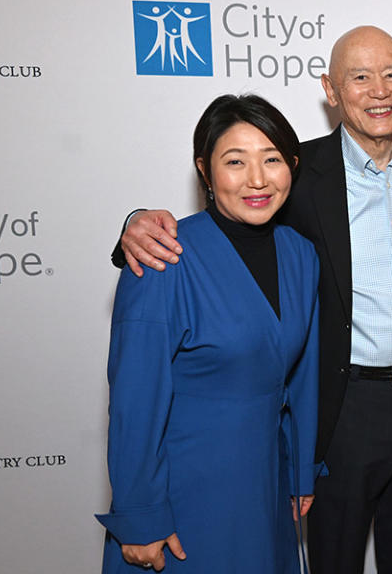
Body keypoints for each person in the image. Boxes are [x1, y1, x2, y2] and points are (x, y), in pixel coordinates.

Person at [114, 26, 392, 574]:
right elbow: (137, 394)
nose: (378, 90)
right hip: (344, 412)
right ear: (331, 89)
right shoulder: (302, 176)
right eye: (359, 77)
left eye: (391, 74)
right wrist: (133, 224)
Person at [96, 94, 322, 573]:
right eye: (235, 161)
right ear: (205, 170)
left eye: (272, 159)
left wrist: (301, 472)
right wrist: (139, 515)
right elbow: (135, 400)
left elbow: (302, 376)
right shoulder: (162, 256)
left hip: (266, 485)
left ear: (292, 166)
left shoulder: (300, 254)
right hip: (185, 491)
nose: (257, 179)